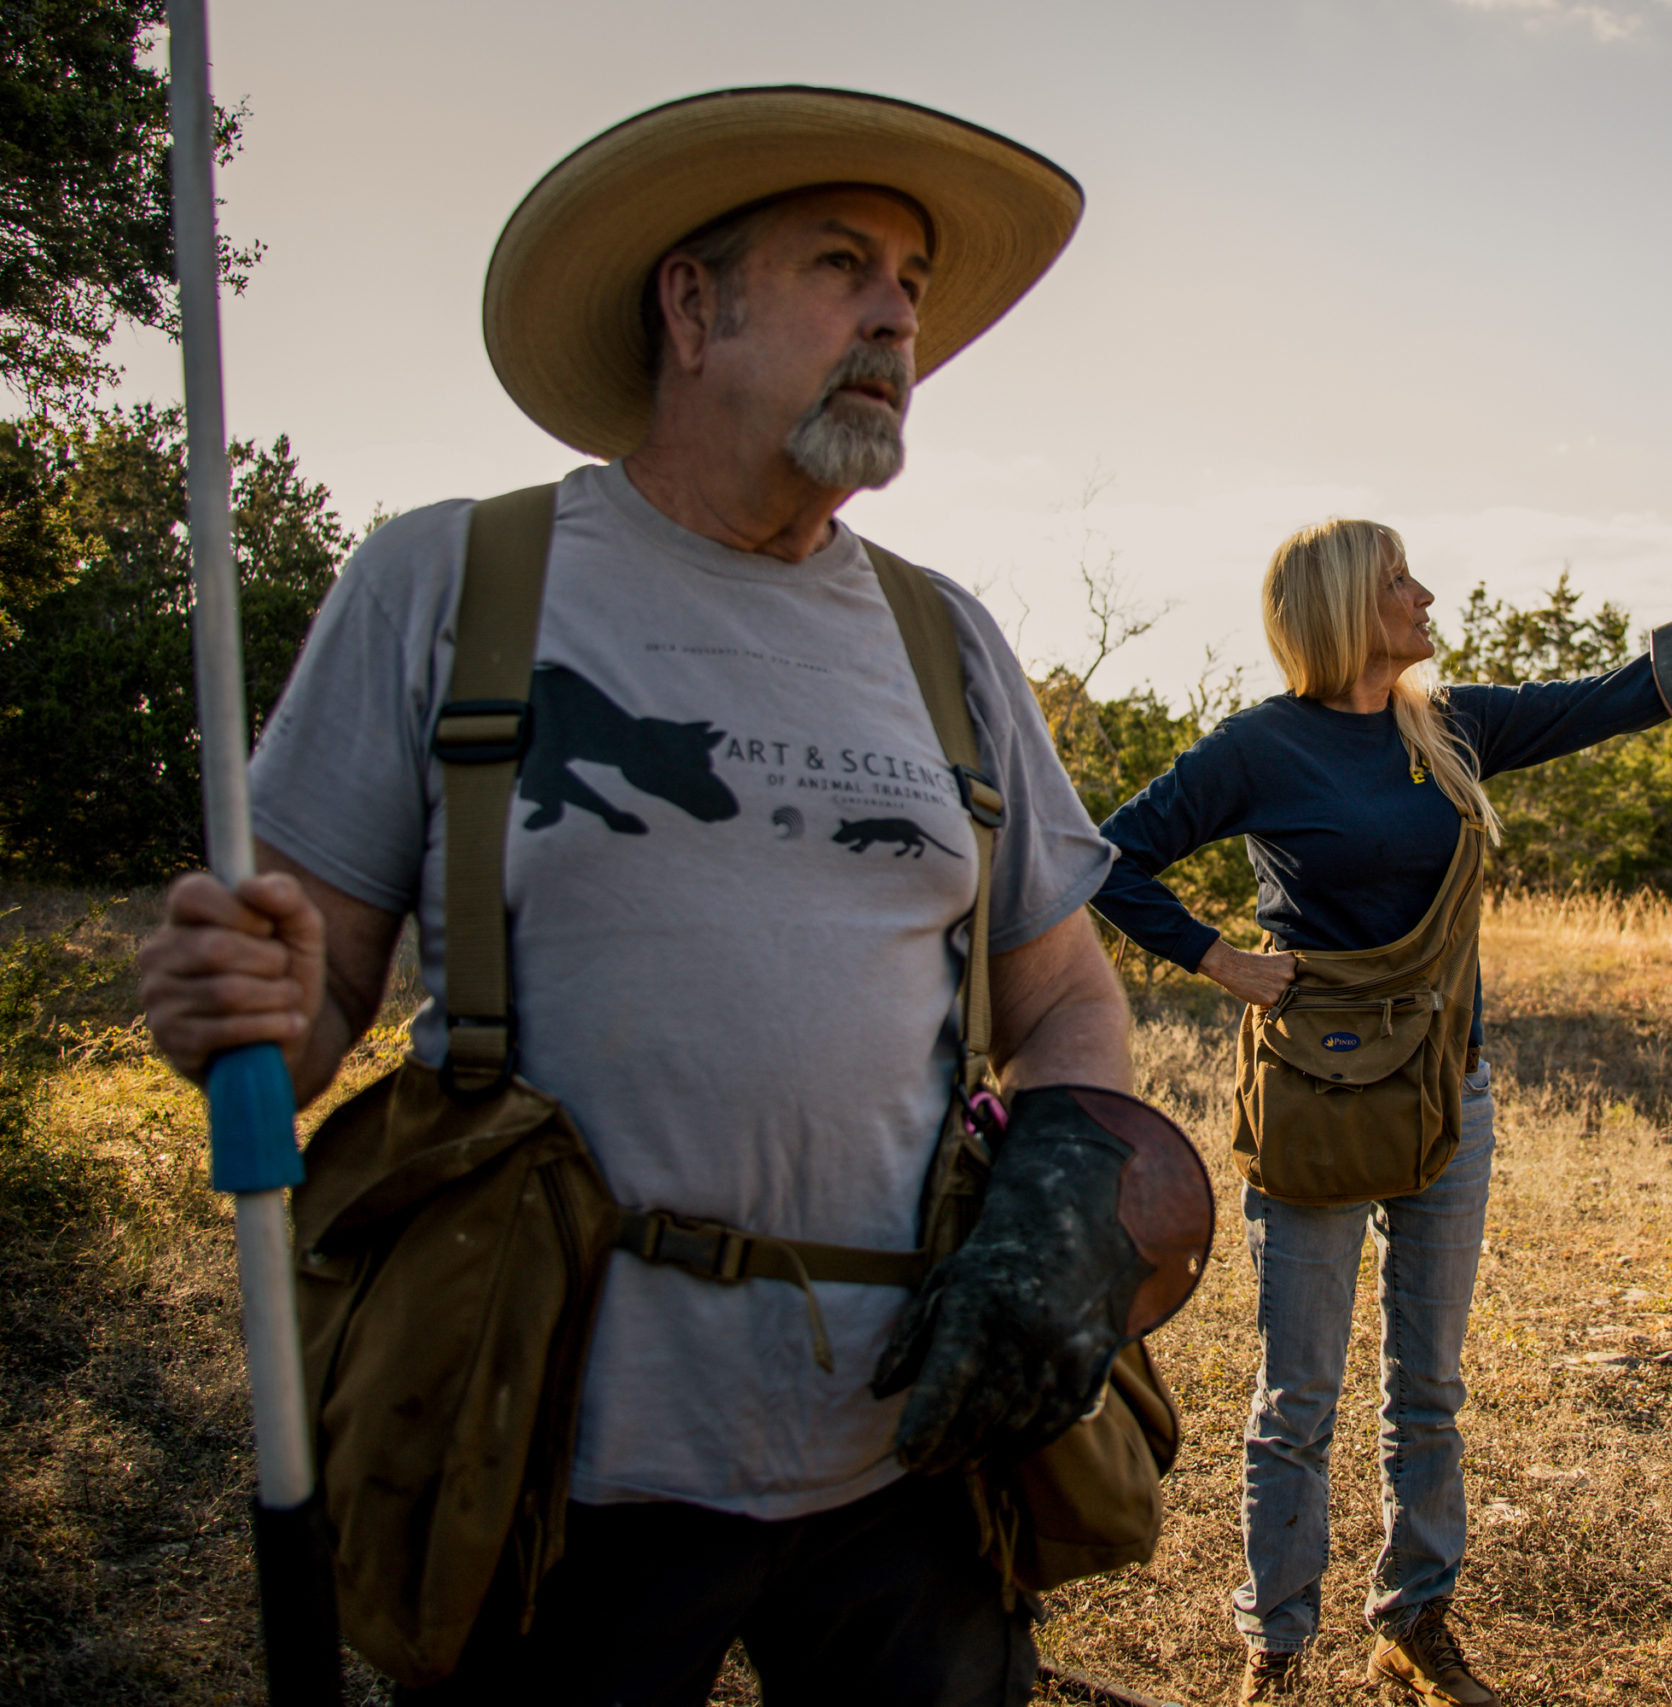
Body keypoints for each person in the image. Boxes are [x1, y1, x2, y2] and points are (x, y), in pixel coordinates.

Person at [137, 89, 1130, 1707]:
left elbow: (1068, 997)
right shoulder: (452, 583)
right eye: (839, 262)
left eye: (912, 281)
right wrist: (238, 1009)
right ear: (689, 301)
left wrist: (1066, 1202)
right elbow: (300, 998)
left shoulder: (946, 641)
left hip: (908, 1468)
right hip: (547, 1459)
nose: (896, 314)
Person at [1090, 520, 1672, 1704]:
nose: (1425, 594)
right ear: (1348, 604)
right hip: (1317, 1098)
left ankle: (1414, 1620)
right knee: (1296, 1398)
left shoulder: (1450, 725)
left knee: (1429, 1386)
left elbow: (1621, 696)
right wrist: (1214, 959)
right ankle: (1277, 1646)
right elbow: (1109, 856)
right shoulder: (1258, 746)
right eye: (1400, 580)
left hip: (1453, 1087)